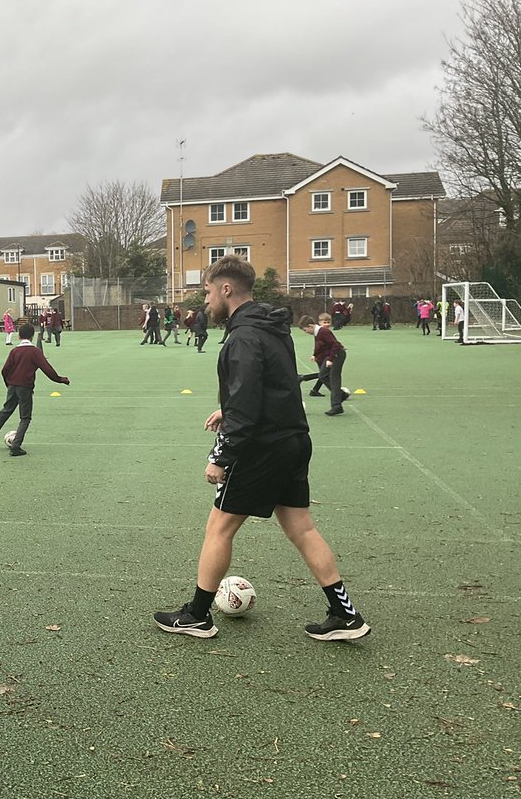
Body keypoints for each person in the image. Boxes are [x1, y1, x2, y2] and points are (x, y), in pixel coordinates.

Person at [152, 256, 371, 642]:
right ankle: (345, 614)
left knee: (219, 528)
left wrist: (221, 456)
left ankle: (197, 616)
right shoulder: (272, 327)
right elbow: (275, 383)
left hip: (260, 448)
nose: (205, 301)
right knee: (302, 528)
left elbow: (247, 406)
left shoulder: (243, 337)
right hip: (293, 441)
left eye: (207, 292)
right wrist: (229, 408)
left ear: (226, 289)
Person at [0, 323, 70, 456]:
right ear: (32, 336)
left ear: (19, 336)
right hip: (25, 387)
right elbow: (47, 369)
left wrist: (9, 384)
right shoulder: (35, 352)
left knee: (6, 410)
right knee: (25, 418)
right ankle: (16, 446)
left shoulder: (14, 351)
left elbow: (4, 370)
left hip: (12, 386)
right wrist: (60, 379)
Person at [299, 314, 350, 416]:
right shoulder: (317, 333)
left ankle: (337, 406)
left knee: (334, 378)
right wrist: (315, 355)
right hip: (330, 355)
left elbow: (335, 344)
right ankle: (341, 395)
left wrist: (330, 359)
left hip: (337, 354)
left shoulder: (323, 332)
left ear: (310, 326)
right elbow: (319, 346)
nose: (305, 332)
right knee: (322, 376)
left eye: (305, 330)